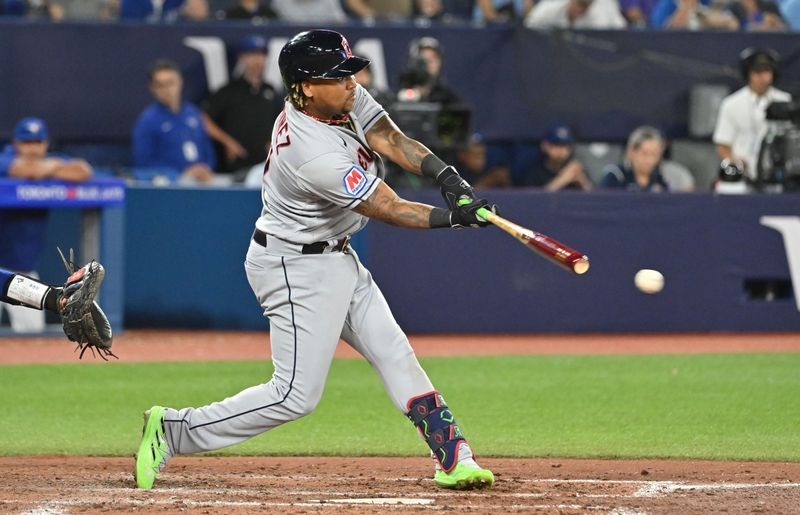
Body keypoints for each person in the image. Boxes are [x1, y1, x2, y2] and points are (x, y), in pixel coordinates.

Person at [135, 29, 497, 492]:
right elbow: (388, 207)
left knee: (394, 351)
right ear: (305, 85)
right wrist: (454, 218)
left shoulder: (336, 99)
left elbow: (388, 136)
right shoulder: (311, 152)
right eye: (339, 75)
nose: (352, 81)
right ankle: (173, 429)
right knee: (294, 396)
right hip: (293, 266)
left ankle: (454, 457)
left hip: (335, 254)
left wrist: (447, 177)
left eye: (350, 71)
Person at [0, 117, 93, 333]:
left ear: (46, 144)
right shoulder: (4, 159)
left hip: (23, 272)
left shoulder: (51, 161)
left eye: (37, 142)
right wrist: (52, 168)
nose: (32, 149)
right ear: (15, 143)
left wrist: (48, 167)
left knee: (32, 336)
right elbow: (23, 170)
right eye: (26, 143)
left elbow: (83, 170)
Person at [202, 35, 282, 179]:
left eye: (262, 55)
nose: (258, 60)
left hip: (266, 168)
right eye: (252, 54)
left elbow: (283, 121)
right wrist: (228, 142)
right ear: (242, 58)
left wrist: (275, 143)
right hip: (236, 168)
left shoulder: (270, 91)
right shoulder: (229, 91)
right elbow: (203, 119)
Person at [132, 59, 217, 183]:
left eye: (170, 83)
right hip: (169, 186)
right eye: (160, 85)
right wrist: (181, 172)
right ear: (152, 88)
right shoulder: (147, 121)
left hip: (202, 182)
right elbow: (143, 162)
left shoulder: (193, 113)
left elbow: (207, 148)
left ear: (180, 82)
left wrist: (206, 168)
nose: (167, 90)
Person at [713, 47, 791, 181]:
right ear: (748, 74)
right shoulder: (731, 104)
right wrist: (735, 163)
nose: (763, 77)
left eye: (767, 71)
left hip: (779, 174)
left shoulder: (786, 102)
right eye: (757, 72)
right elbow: (723, 144)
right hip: (743, 175)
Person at [517, 124, 593, 190]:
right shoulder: (534, 173)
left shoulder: (575, 169)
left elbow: (594, 200)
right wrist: (563, 179)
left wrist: (583, 182)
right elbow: (532, 201)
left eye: (565, 145)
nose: (561, 150)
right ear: (545, 146)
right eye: (556, 145)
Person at [600, 125, 669, 191]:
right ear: (630, 152)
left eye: (654, 154)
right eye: (644, 154)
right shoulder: (616, 176)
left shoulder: (660, 180)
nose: (649, 160)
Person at [397, 37, 462, 105]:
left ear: (440, 63)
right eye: (423, 59)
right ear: (412, 62)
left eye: (432, 59)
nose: (428, 63)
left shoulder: (448, 99)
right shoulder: (399, 94)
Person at [524, 0, 627, 28]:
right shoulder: (550, 9)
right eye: (579, 3)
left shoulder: (600, 14)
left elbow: (621, 29)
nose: (580, 9)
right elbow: (528, 25)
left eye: (586, 6)